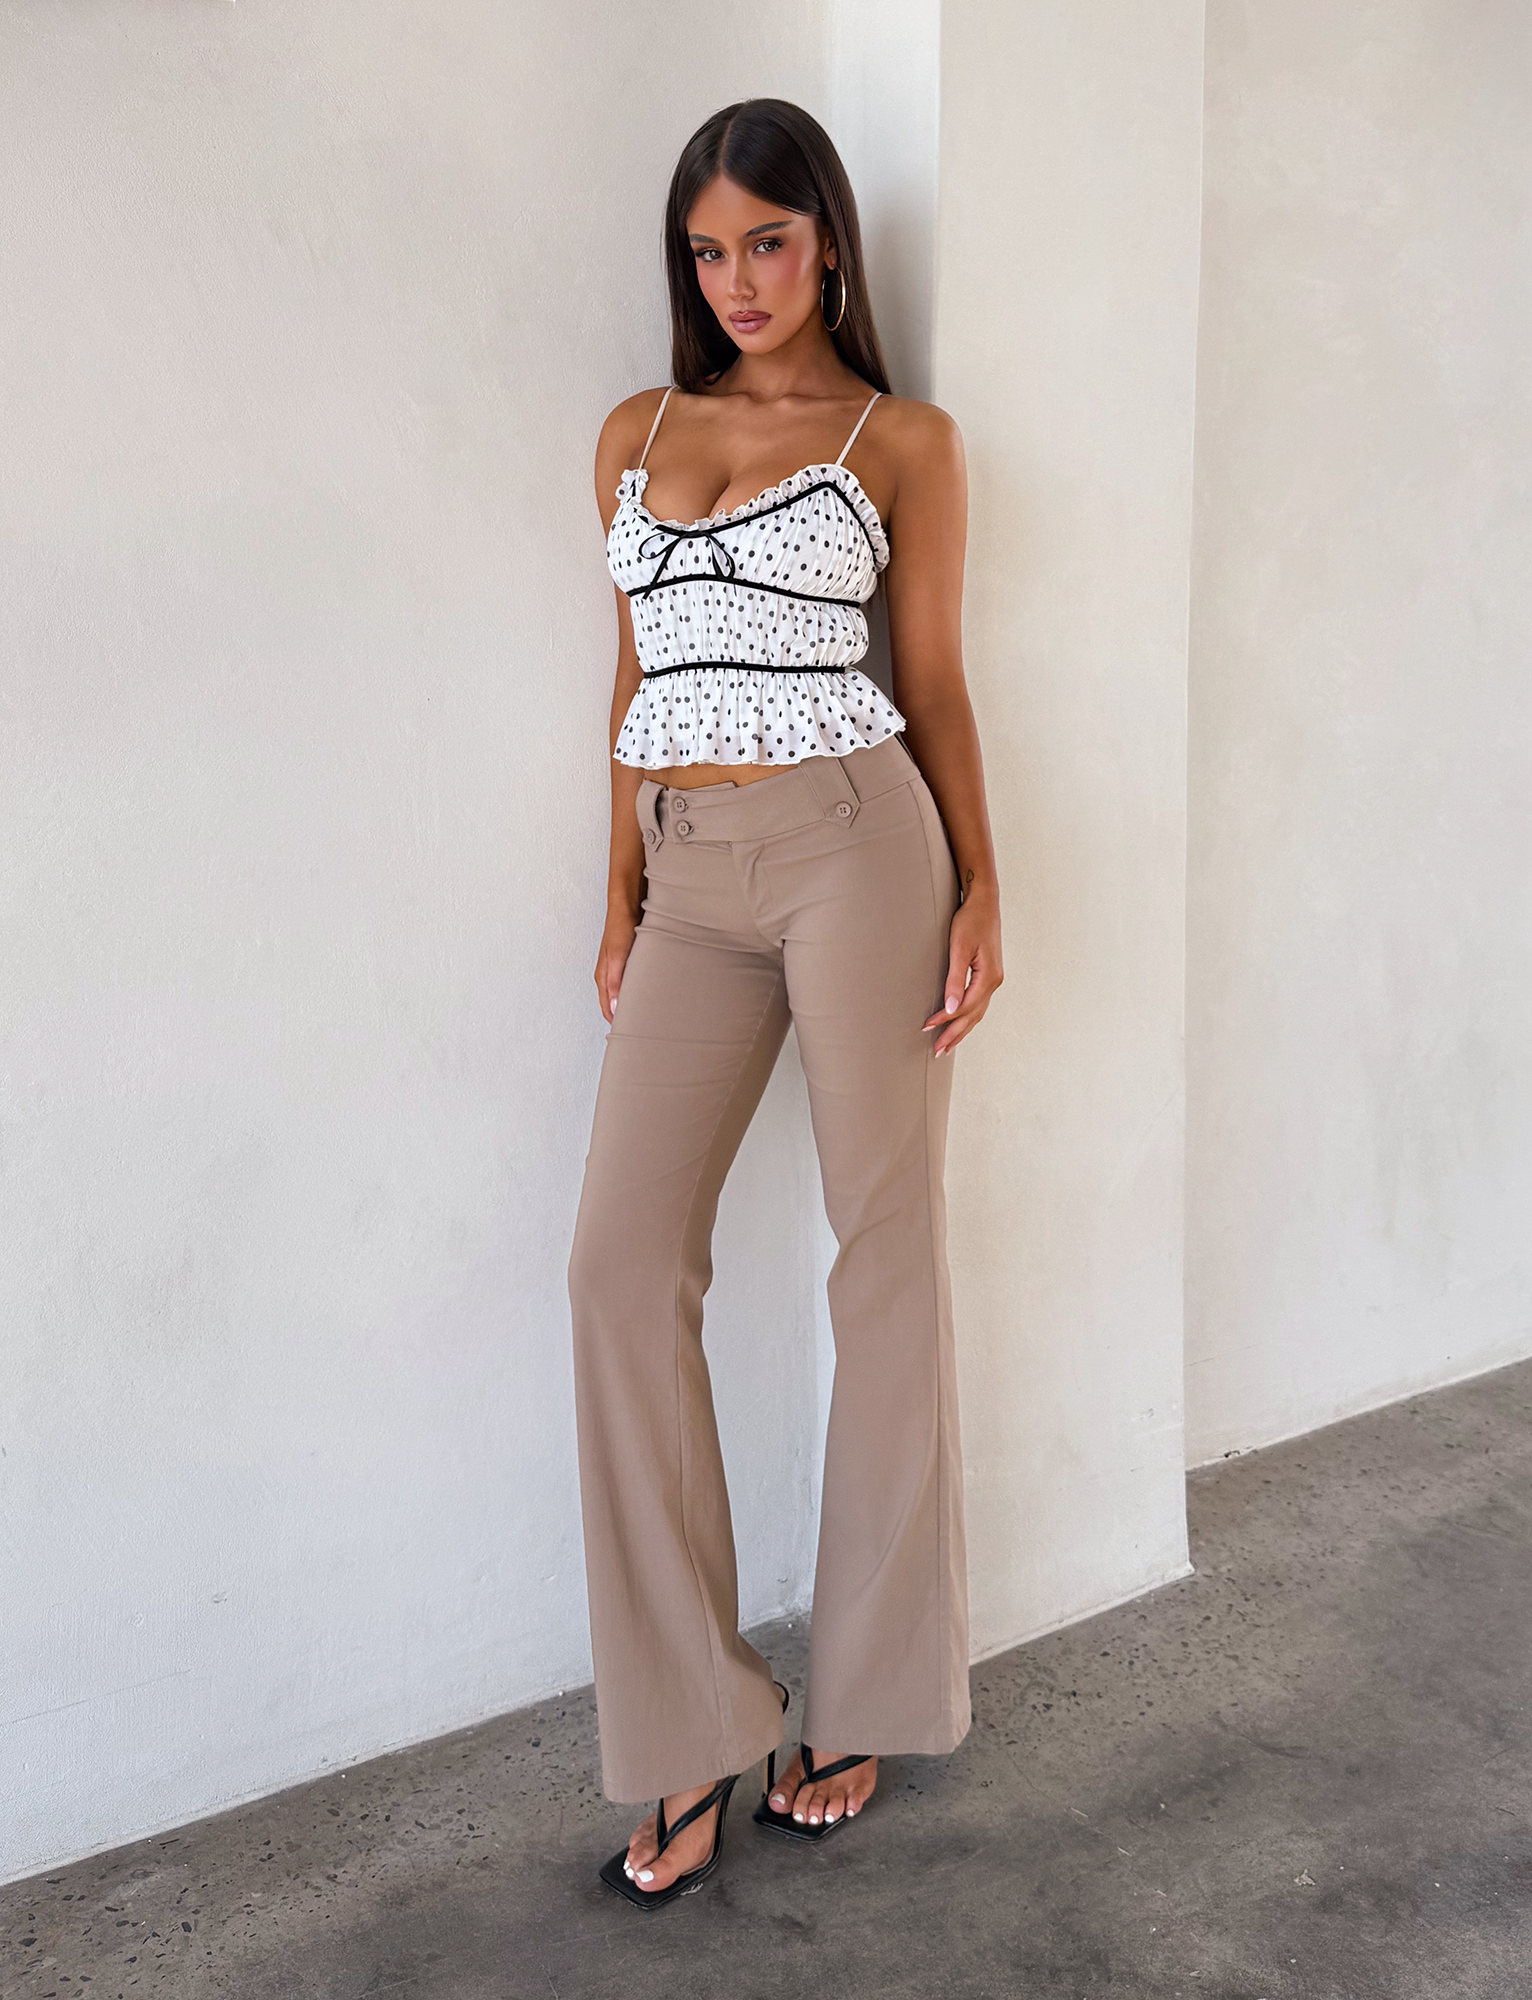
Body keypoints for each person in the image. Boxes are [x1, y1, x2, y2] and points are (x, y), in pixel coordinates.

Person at [568, 97, 1003, 1910]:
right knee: (614, 1264)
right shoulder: (633, 431)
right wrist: (618, 888)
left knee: (879, 1254)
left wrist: (985, 883)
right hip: (694, 863)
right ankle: (688, 1723)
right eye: (706, 249)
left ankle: (875, 1691)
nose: (735, 279)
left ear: (826, 240)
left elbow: (939, 681)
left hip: (855, 844)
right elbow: (631, 672)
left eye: (766, 239)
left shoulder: (899, 441)